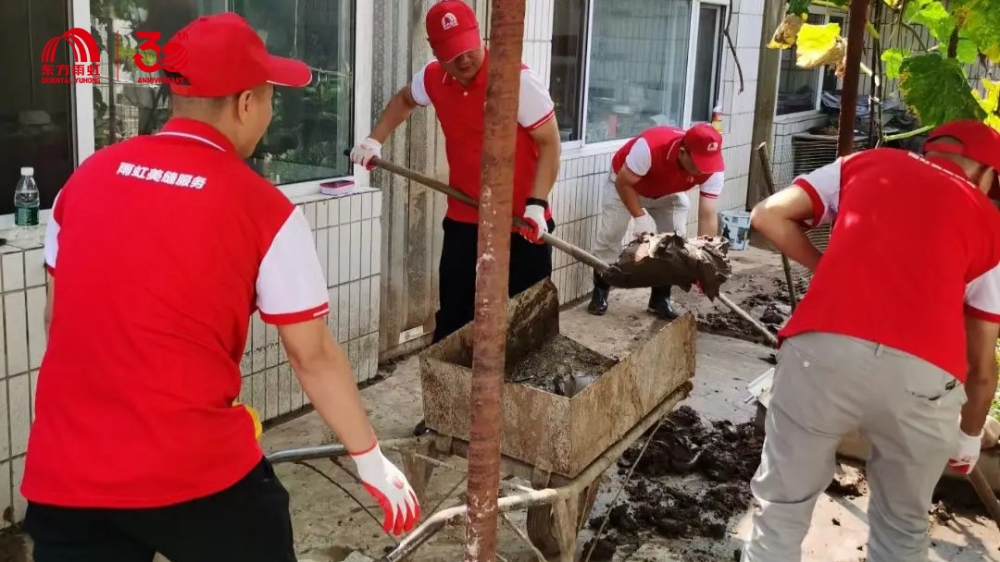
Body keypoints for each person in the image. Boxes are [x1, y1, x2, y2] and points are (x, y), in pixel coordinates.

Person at [21, 13, 419, 562]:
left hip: (66, 471)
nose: (271, 111)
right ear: (246, 104)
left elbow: (55, 318)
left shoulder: (84, 179)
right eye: (270, 96)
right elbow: (312, 354)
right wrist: (369, 456)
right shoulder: (264, 210)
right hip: (192, 469)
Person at [742, 120, 1000, 562]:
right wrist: (968, 438)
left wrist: (825, 269)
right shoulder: (990, 223)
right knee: (902, 531)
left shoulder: (866, 163)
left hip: (821, 353)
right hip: (922, 379)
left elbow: (767, 215)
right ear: (985, 173)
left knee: (780, 509)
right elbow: (981, 365)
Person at [350, 0, 561, 345]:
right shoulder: (433, 78)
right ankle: (452, 392)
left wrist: (537, 204)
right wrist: (375, 140)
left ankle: (526, 395)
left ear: (479, 37)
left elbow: (550, 144)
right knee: (455, 315)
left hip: (522, 221)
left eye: (467, 48)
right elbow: (404, 100)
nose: (463, 59)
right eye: (452, 53)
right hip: (467, 214)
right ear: (435, 50)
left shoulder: (516, 81)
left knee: (529, 318)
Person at [588, 124, 725, 318]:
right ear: (683, 152)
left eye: (708, 164)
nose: (703, 171)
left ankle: (660, 298)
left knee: (675, 243)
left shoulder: (713, 169)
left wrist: (707, 263)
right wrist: (639, 217)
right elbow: (623, 182)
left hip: (666, 192)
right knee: (611, 234)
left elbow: (708, 214)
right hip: (626, 185)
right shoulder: (650, 148)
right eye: (698, 164)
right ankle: (600, 290)